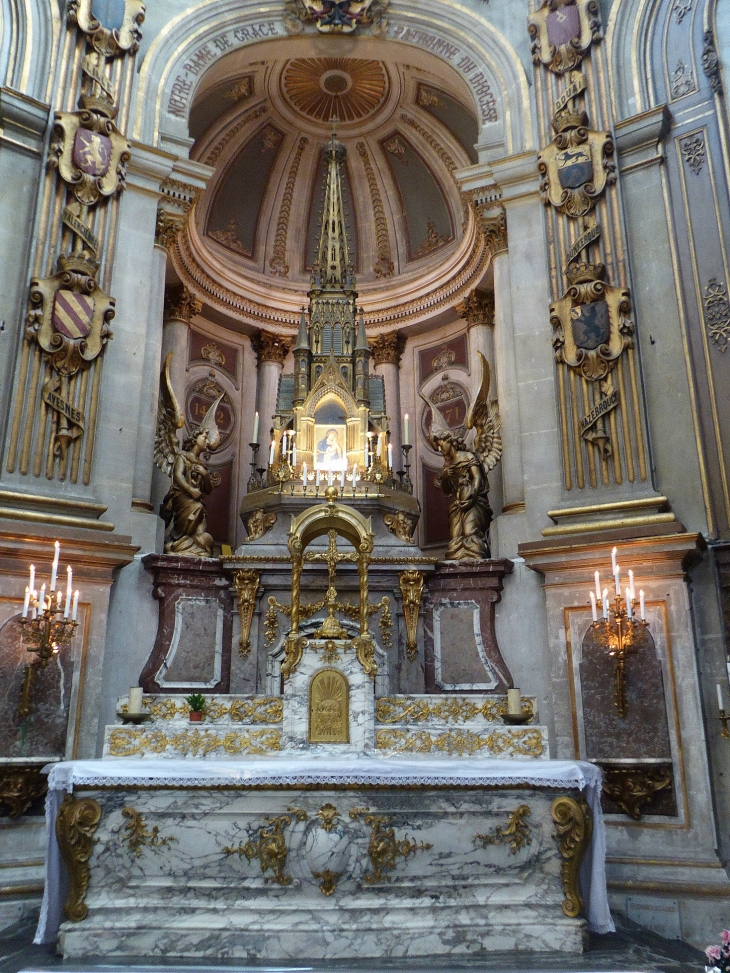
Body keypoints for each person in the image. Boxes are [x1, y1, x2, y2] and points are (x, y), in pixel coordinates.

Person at [431, 431, 493, 559]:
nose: (439, 449)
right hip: (458, 504)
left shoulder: (468, 456)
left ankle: (474, 554)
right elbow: (447, 491)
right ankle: (461, 556)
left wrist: (471, 498)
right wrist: (445, 477)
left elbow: (477, 478)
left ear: (449, 441)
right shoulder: (447, 465)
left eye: (440, 445)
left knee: (470, 532)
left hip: (474, 502)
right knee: (454, 539)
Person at [161, 428, 217, 557]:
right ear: (194, 439)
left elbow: (208, 490)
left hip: (197, 500)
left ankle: (178, 546)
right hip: (181, 496)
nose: (207, 442)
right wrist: (190, 490)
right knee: (197, 507)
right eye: (204, 438)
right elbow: (178, 475)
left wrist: (205, 475)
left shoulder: (202, 465)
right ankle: (177, 539)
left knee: (206, 538)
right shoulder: (183, 456)